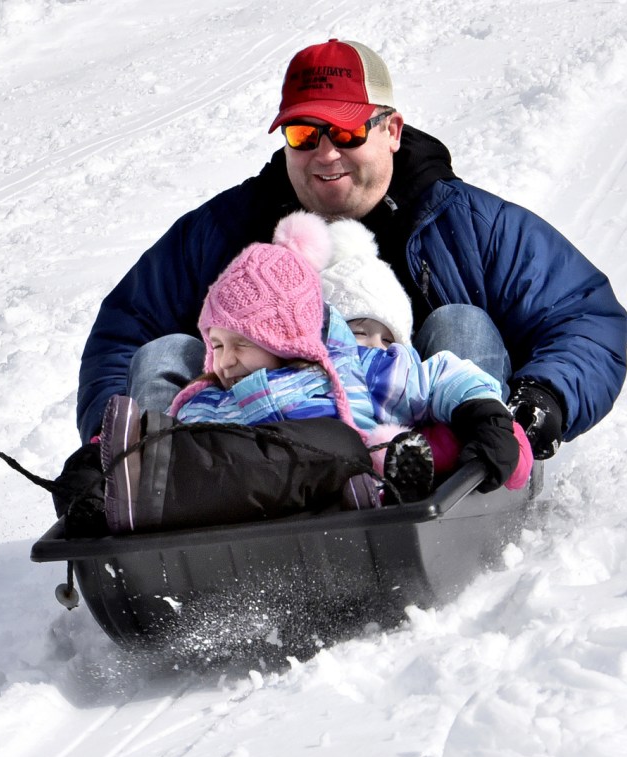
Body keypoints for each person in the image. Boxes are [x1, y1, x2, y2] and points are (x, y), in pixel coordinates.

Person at [77, 38, 627, 465]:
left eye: (345, 132)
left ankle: (462, 479)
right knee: (165, 350)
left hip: (421, 442)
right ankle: (142, 483)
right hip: (254, 455)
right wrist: (104, 442)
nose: (324, 155)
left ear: (391, 129)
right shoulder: (231, 228)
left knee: (461, 324)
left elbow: (582, 313)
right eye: (302, 134)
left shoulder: (467, 222)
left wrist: (542, 400)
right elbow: (128, 325)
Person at [99, 211, 525, 534]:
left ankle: (373, 486)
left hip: (349, 503)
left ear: (288, 338)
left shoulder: (354, 372)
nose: (225, 361)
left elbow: (437, 378)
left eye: (241, 344)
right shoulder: (211, 397)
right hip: (258, 521)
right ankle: (136, 481)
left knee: (339, 442)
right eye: (217, 346)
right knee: (196, 452)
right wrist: (116, 457)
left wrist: (485, 413)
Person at [319, 216, 533, 487]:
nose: (375, 345)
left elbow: (444, 379)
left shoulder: (397, 372)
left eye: (388, 340)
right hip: (328, 464)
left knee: (447, 435)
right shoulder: (305, 373)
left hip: (400, 460)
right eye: (358, 333)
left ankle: (474, 470)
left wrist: (490, 418)